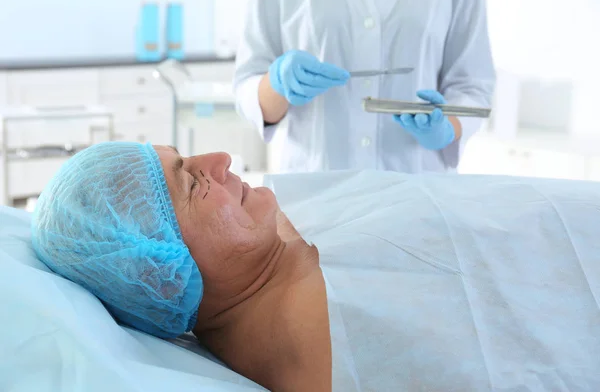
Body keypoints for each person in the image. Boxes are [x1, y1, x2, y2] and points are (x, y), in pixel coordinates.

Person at [31, 142, 600, 391]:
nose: (221, 160)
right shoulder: (344, 357)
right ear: (159, 270)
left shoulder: (279, 230)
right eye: (191, 179)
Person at [233, 0, 496, 174]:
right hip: (315, 198)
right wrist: (278, 83)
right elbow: (247, 85)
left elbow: (472, 85)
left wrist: (445, 128)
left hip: (418, 197)